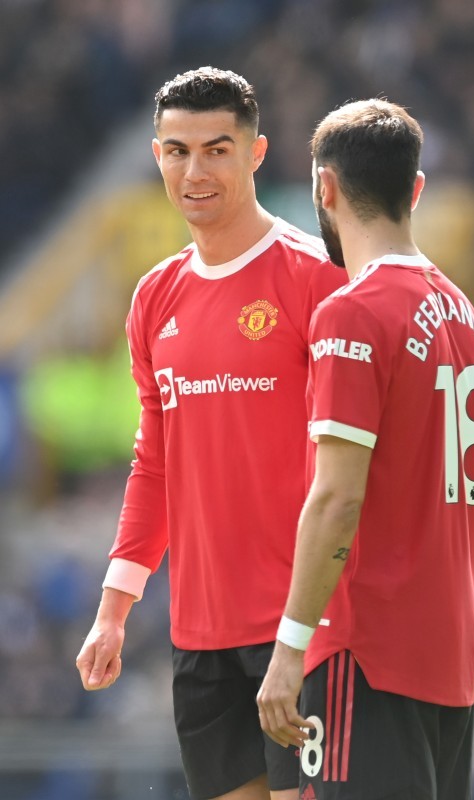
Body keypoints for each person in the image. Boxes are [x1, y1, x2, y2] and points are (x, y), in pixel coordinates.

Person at [75, 67, 345, 800]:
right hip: (199, 635)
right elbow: (155, 464)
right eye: (177, 151)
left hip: (303, 628)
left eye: (216, 150)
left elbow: (355, 464)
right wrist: (114, 611)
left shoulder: (316, 279)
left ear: (256, 153)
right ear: (156, 156)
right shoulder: (154, 296)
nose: (195, 171)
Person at [257, 98, 474, 800]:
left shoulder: (352, 312)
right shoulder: (463, 313)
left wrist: (290, 648)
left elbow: (336, 496)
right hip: (449, 657)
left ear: (323, 188)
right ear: (414, 190)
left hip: (366, 654)